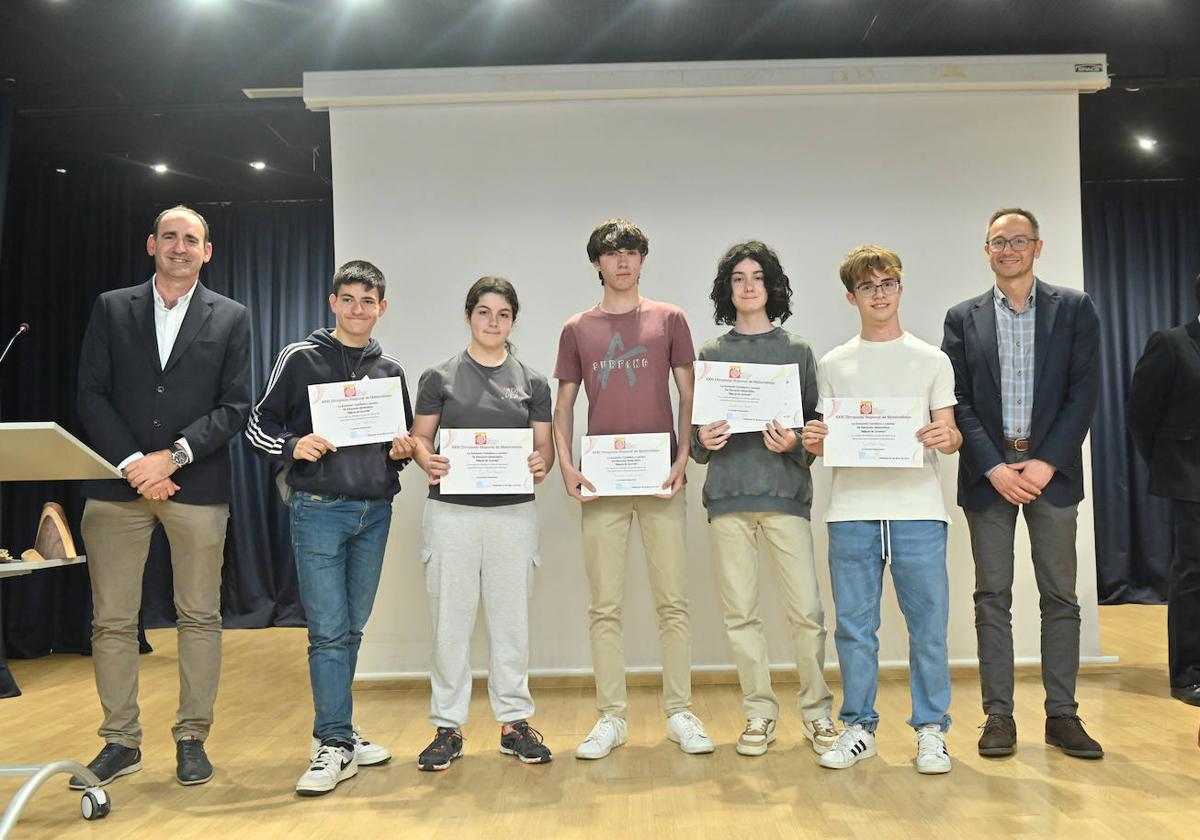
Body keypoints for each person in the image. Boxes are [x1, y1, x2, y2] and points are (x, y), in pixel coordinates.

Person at [73, 206, 251, 788]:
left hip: (195, 484)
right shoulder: (110, 307)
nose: (180, 247)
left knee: (199, 615)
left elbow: (234, 406)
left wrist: (171, 457)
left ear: (208, 252)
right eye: (170, 237)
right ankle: (120, 741)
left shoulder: (232, 317)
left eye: (191, 239)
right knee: (112, 621)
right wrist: (133, 464)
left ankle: (192, 737)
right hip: (114, 484)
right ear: (151, 244)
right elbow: (91, 393)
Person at [245, 260, 415, 796]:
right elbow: (258, 425)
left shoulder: (391, 370)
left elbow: (398, 444)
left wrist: (402, 451)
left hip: (374, 512)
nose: (358, 309)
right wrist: (293, 445)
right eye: (349, 299)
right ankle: (332, 742)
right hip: (318, 508)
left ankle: (343, 732)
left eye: (369, 301)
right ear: (332, 302)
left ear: (381, 307)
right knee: (327, 631)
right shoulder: (300, 358)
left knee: (353, 627)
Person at [942, 208, 1103, 759]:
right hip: (989, 477)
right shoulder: (962, 317)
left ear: (1038, 247)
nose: (1008, 249)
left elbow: (1083, 392)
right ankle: (998, 718)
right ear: (986, 250)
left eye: (1018, 240)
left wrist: (1045, 462)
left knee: (1060, 595)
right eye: (997, 241)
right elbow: (956, 400)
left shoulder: (1075, 308)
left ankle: (1062, 716)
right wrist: (991, 465)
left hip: (1049, 476)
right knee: (992, 597)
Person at [553, 218, 714, 758]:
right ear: (597, 262)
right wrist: (567, 466)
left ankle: (679, 712)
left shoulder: (670, 319)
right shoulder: (577, 328)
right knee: (605, 605)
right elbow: (564, 405)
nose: (622, 261)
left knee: (673, 601)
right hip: (601, 480)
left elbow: (689, 393)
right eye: (611, 253)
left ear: (643, 259)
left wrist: (684, 453)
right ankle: (611, 717)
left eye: (631, 252)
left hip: (661, 477)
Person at [802, 244, 961, 774]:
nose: (879, 293)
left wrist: (948, 434)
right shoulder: (834, 363)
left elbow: (952, 432)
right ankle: (859, 728)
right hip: (851, 509)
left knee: (929, 627)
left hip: (918, 507)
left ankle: (932, 730)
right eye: (868, 286)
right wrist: (816, 439)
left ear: (900, 287)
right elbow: (825, 439)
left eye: (888, 283)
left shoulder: (932, 359)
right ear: (852, 296)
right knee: (853, 627)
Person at [691, 241, 837, 757]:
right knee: (741, 617)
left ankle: (818, 713)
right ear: (726, 290)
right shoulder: (711, 355)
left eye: (757, 277)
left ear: (772, 286)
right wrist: (701, 443)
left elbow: (818, 434)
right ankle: (758, 713)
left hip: (785, 496)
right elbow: (695, 442)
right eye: (738, 278)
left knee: (807, 615)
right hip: (728, 498)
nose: (748, 285)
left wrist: (797, 443)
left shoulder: (796, 352)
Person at [407, 277, 556, 771]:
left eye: (504, 314)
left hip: (513, 514)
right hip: (451, 514)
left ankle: (514, 725)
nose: (493, 322)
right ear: (469, 315)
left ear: (514, 320)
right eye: (484, 312)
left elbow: (545, 450)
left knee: (511, 622)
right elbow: (420, 439)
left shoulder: (533, 382)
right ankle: (447, 728)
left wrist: (541, 464)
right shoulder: (438, 377)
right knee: (450, 622)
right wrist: (426, 460)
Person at [1127, 272, 1200, 708]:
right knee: (1194, 576)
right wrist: (1169, 465)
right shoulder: (1171, 343)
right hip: (1192, 478)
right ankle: (1188, 673)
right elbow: (1141, 414)